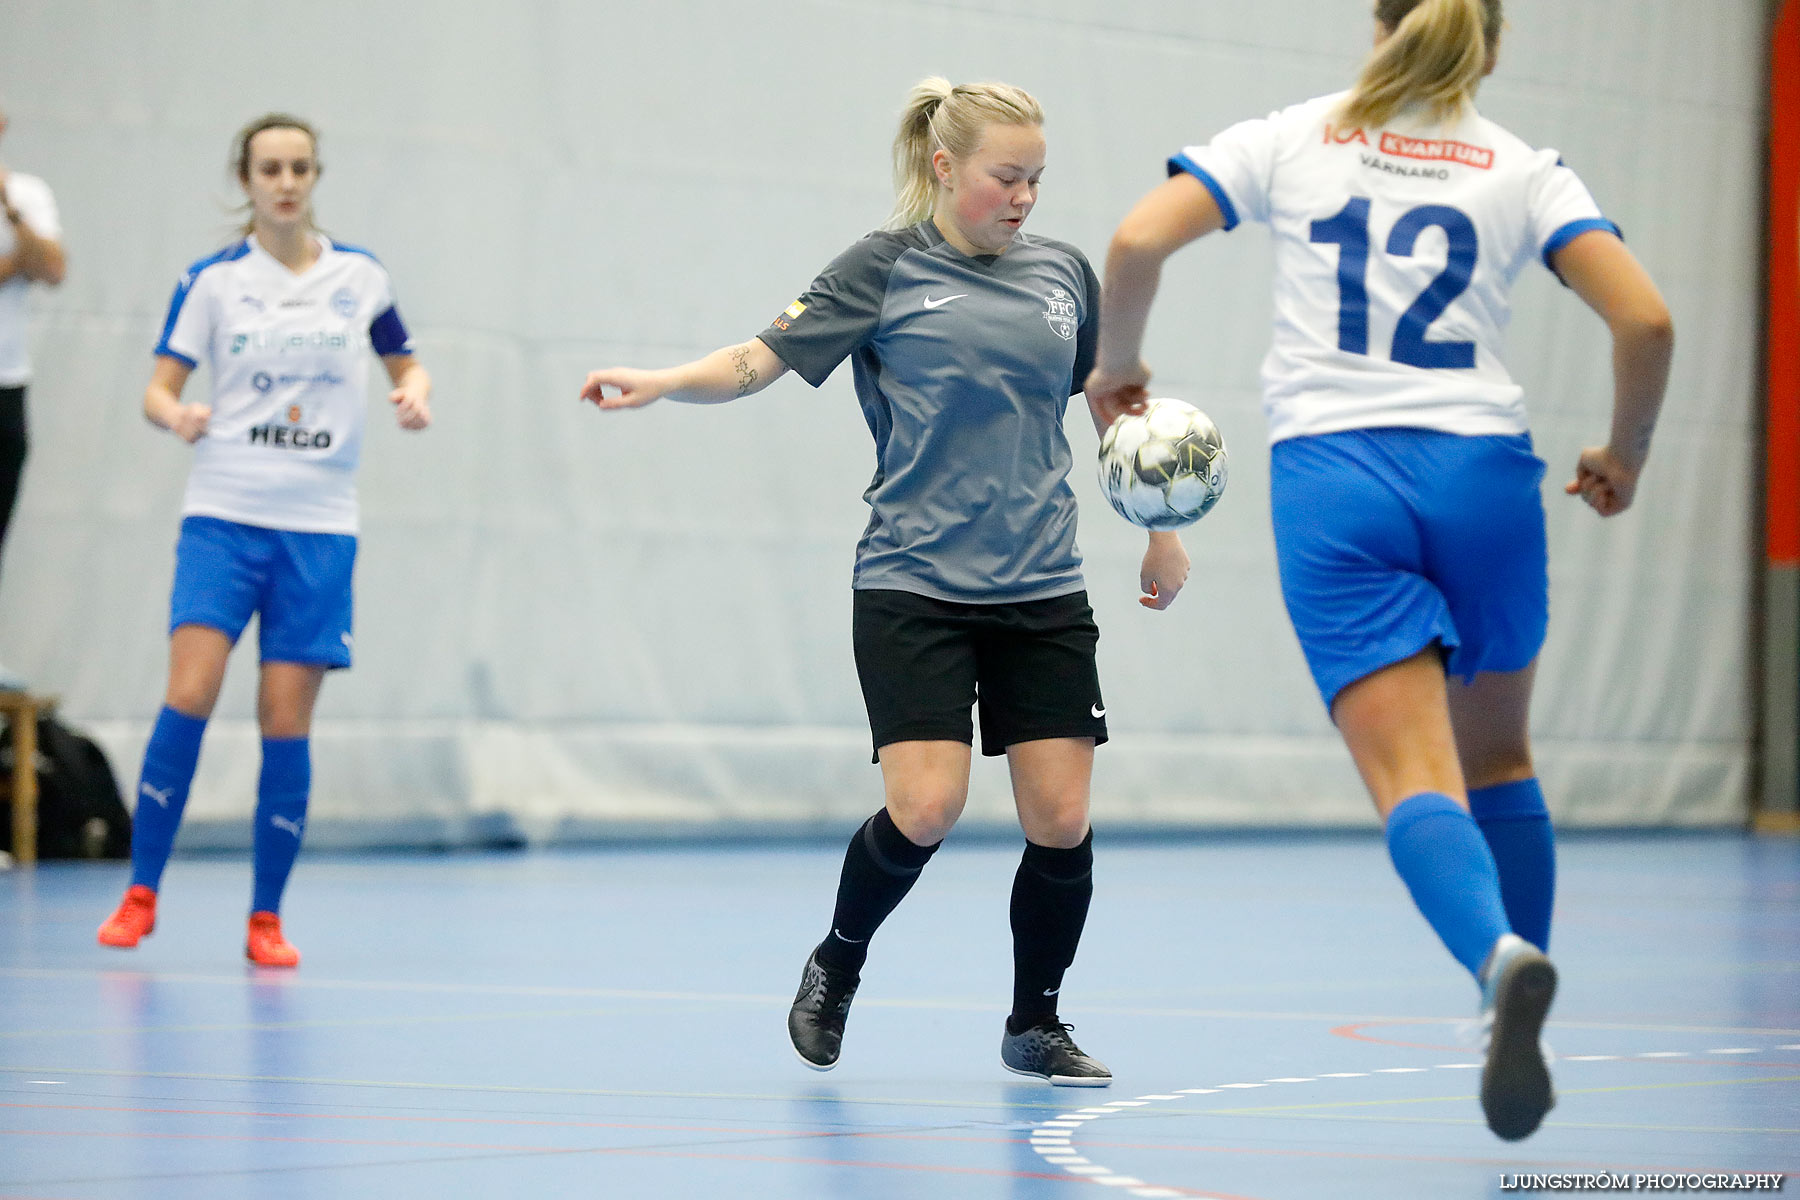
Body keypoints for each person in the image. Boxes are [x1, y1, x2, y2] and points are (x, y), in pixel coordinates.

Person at [1087, 0, 1672, 1139]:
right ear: (1489, 46)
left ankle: (1499, 962)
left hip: (1339, 479)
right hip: (1485, 476)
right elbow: (1645, 321)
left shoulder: (1295, 135)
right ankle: (1514, 993)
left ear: (1378, 25)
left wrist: (1120, 367)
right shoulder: (1522, 168)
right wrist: (1624, 457)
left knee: (1415, 775)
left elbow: (1134, 241)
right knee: (1499, 753)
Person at [580, 78, 1189, 1086]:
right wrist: (662, 383)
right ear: (947, 167)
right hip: (915, 583)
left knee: (1062, 820)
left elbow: (1107, 398)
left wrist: (1159, 527)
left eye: (1037, 178)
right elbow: (760, 357)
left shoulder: (1065, 275)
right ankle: (838, 961)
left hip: (1041, 584)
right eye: (1006, 176)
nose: (1024, 196)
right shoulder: (884, 268)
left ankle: (1034, 1022)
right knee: (926, 807)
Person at [96, 113, 432, 967]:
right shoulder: (211, 283)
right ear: (244, 179)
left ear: (316, 176)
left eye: (299, 168)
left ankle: (266, 920)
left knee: (285, 720)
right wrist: (178, 414)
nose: (285, 182)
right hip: (224, 516)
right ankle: (141, 894)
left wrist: (414, 395)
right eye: (269, 168)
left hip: (318, 530)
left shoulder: (359, 277)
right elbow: (156, 390)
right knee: (192, 694)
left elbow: (405, 362)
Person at [0, 98, 68, 690]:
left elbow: (51, 267)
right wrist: (11, 265)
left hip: (5, 385)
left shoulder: (27, 194)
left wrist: (10, 211)